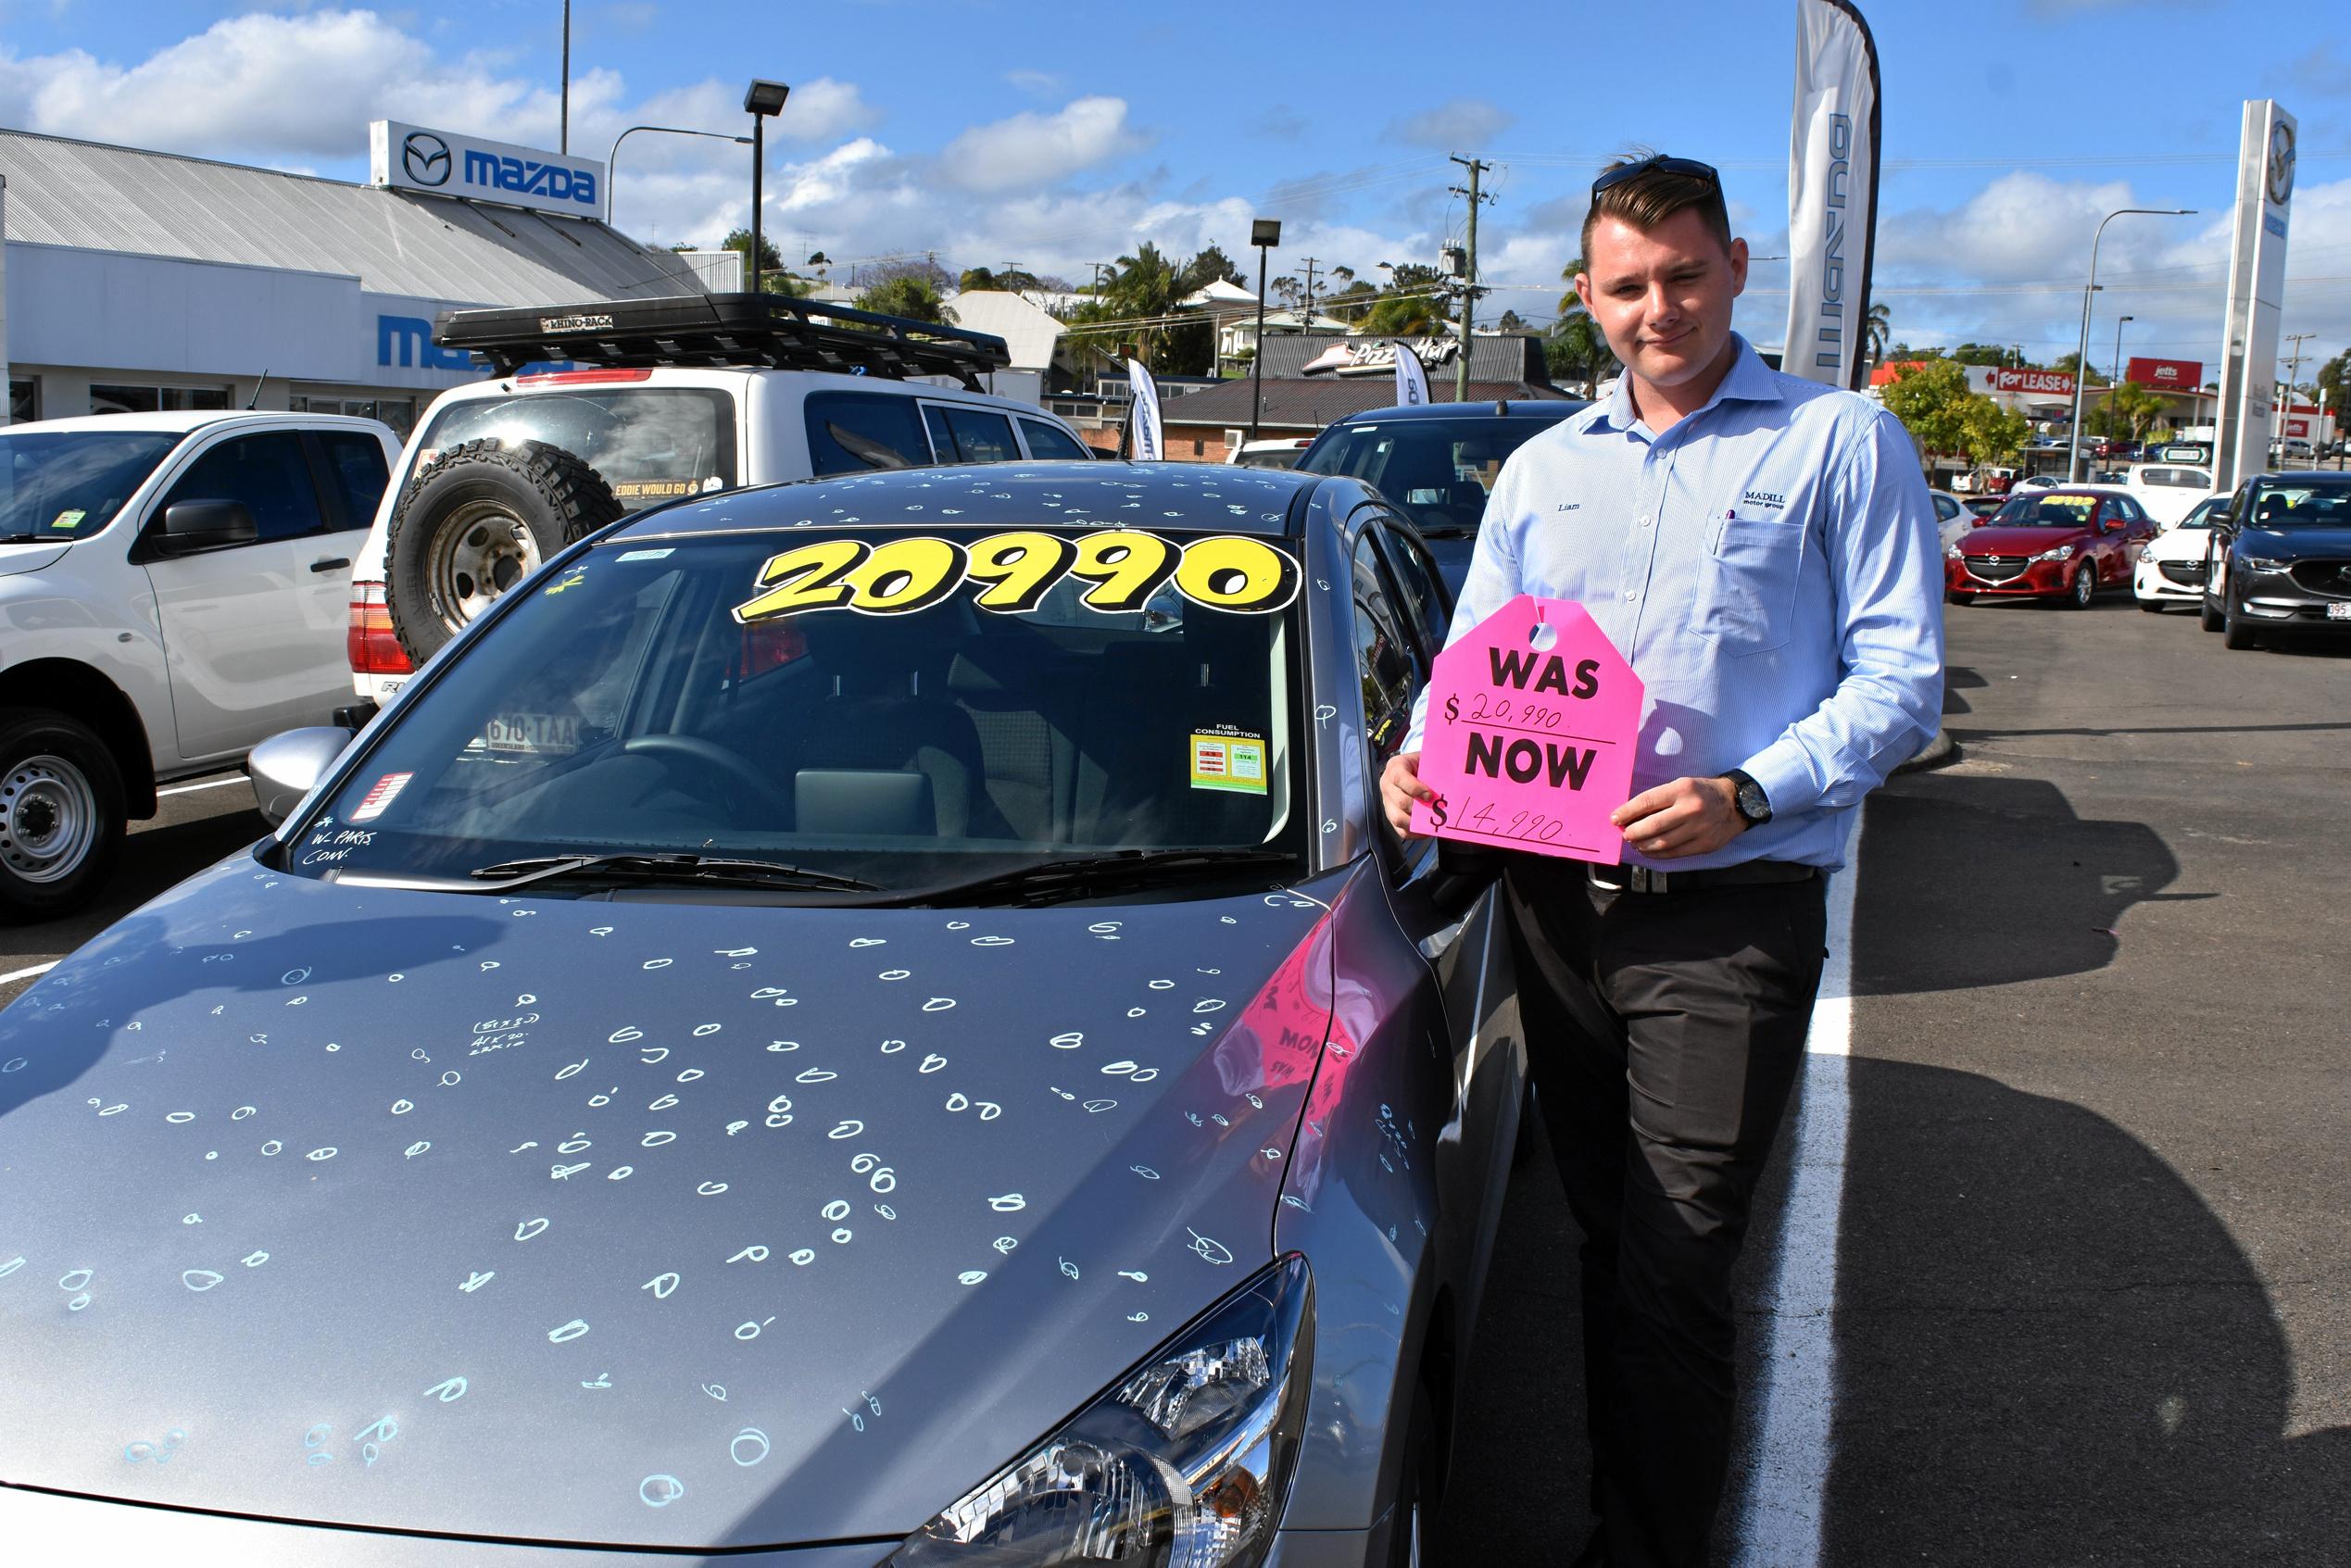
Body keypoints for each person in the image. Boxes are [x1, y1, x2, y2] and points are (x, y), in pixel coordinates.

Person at [1381, 153, 1943, 1567]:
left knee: (1677, 1259)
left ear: (1735, 266)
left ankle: (1638, 1550)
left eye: (1682, 275)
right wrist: (1419, 749)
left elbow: (1899, 685)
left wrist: (1749, 793)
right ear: (1586, 296)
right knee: (1603, 1240)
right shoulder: (1542, 468)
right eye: (1627, 286)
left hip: (1728, 915)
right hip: (1553, 904)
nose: (1658, 310)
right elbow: (1472, 663)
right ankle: (1618, 1517)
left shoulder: (1838, 443)